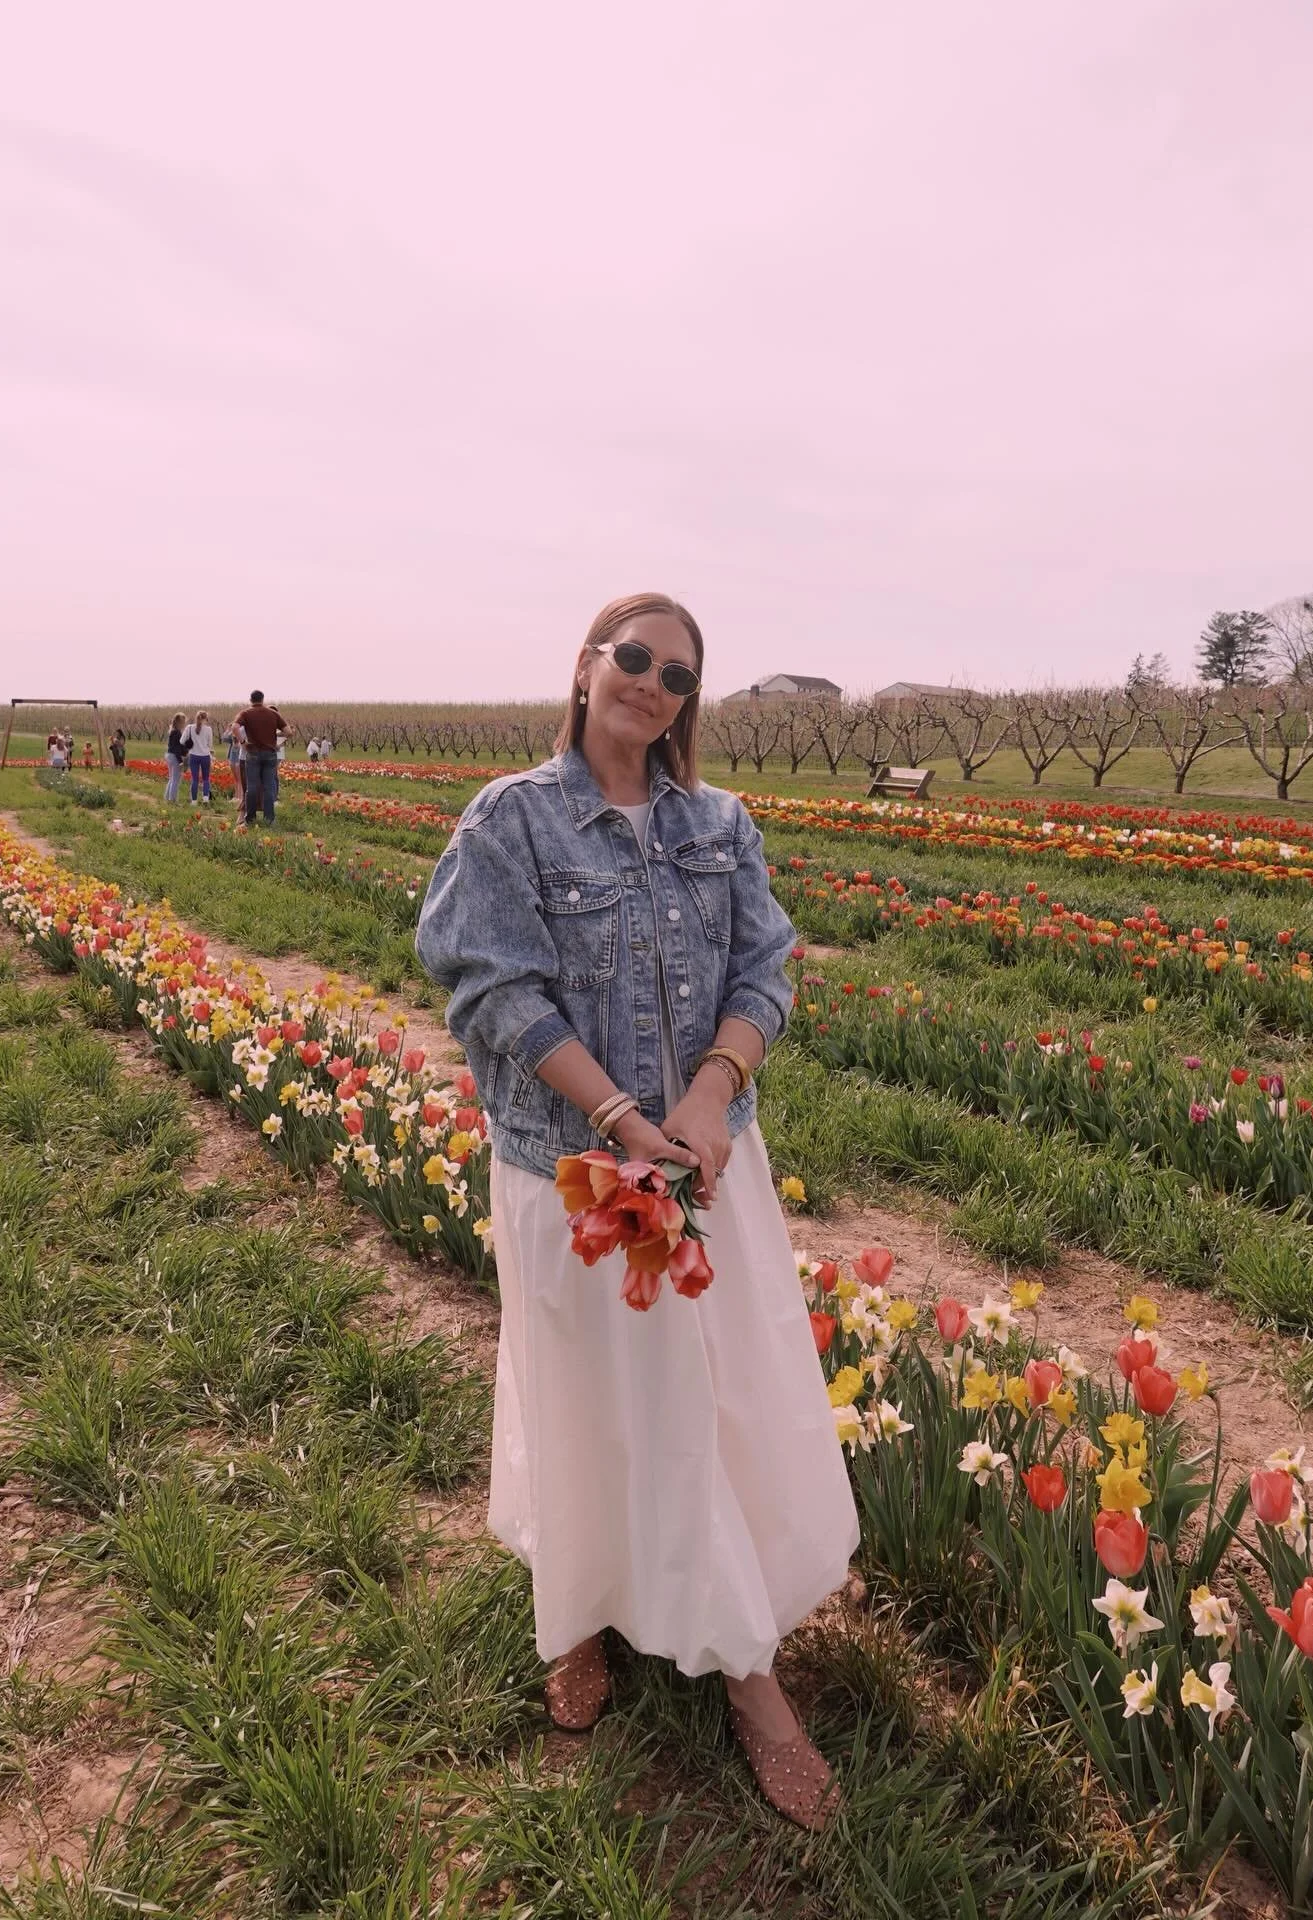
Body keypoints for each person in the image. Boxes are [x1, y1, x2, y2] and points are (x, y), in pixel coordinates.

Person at [415, 594, 858, 1831]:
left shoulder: (721, 824)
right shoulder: (509, 819)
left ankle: (749, 1673)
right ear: (585, 665)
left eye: (677, 672)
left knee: (706, 1400)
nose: (651, 683)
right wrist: (621, 1122)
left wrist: (711, 1097)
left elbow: (764, 968)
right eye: (633, 657)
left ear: (689, 699)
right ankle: (585, 1609)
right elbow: (494, 988)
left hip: (707, 1167)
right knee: (584, 1398)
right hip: (574, 1170)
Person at [234, 690, 289, 827]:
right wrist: (278, 745)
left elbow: (234, 727)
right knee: (269, 787)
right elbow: (289, 732)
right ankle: (269, 820)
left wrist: (243, 742)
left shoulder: (245, 713)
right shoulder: (273, 714)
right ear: (263, 699)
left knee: (252, 787)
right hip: (270, 754)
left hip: (253, 753)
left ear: (250, 700)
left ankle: (250, 820)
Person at [184, 711, 214, 803]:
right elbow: (210, 744)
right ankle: (205, 799)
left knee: (195, 779)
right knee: (206, 778)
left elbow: (182, 741)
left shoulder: (189, 728)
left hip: (193, 755)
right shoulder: (208, 729)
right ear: (206, 719)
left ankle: (194, 801)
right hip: (205, 756)